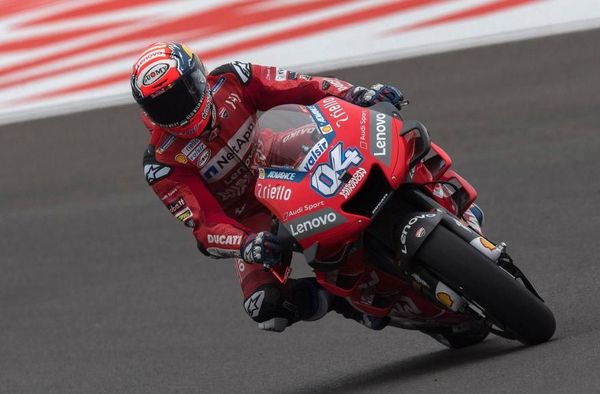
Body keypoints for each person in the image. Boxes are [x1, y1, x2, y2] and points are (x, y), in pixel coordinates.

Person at [132, 42, 407, 332]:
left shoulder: (234, 79)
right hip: (249, 217)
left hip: (281, 158)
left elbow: (302, 86)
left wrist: (355, 94)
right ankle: (345, 301)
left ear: (199, 78)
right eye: (161, 107)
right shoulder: (161, 162)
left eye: (180, 96)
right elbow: (205, 225)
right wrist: (246, 244)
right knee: (264, 306)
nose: (177, 111)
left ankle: (418, 177)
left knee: (363, 126)